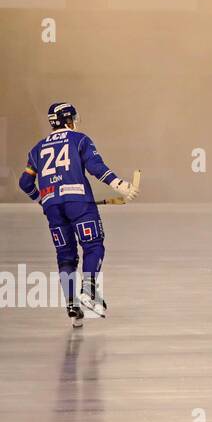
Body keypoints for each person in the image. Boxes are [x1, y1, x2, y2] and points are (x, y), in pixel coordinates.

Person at [18, 102, 137, 325]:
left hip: (53, 207)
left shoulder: (37, 149)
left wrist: (42, 200)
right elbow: (95, 167)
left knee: (65, 256)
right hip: (79, 202)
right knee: (93, 245)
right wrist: (120, 185)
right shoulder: (80, 139)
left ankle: (73, 306)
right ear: (68, 120)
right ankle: (89, 291)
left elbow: (25, 182)